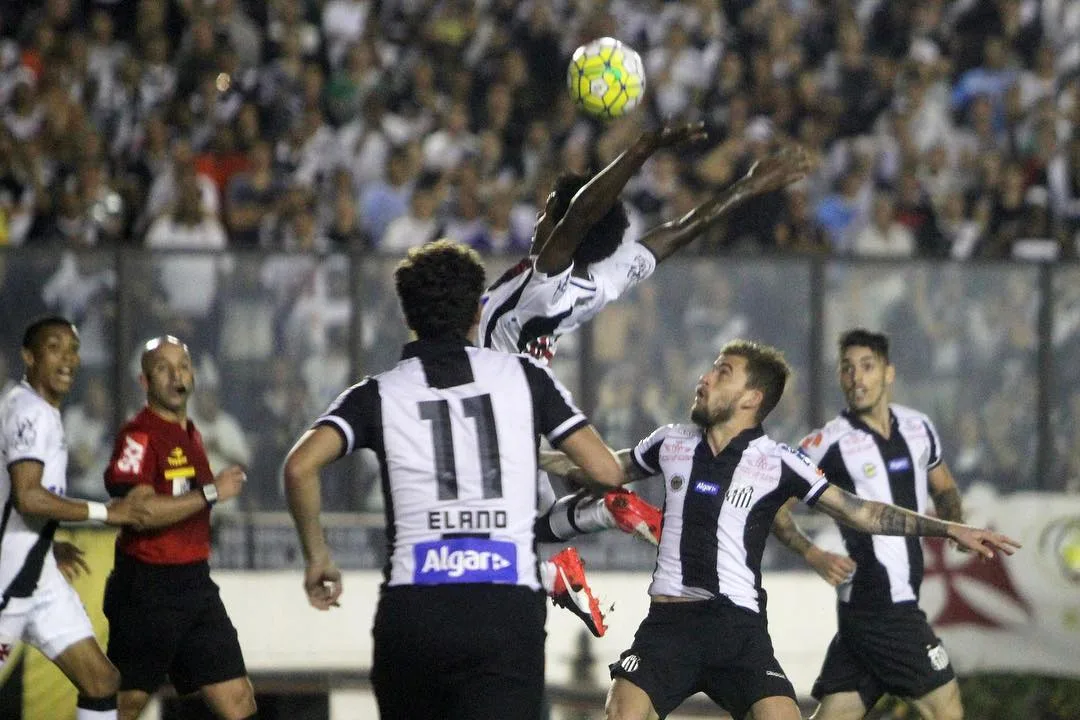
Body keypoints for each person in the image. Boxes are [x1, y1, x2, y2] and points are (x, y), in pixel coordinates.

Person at [540, 339, 1019, 720]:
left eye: (722, 372)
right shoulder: (670, 441)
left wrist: (948, 528)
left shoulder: (780, 461)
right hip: (671, 626)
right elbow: (600, 469)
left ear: (752, 398)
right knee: (622, 711)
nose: (704, 379)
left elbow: (862, 512)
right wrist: (528, 454)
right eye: (711, 368)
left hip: (741, 628)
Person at [483, 122, 813, 635]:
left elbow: (582, 215)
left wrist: (643, 148)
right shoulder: (599, 280)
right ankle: (591, 526)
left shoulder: (543, 289)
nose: (542, 217)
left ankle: (561, 565)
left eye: (551, 210)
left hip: (489, 415)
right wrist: (745, 187)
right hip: (521, 411)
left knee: (486, 542)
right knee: (541, 530)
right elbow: (675, 232)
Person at [282, 240, 625, 720]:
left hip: (415, 607)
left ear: (409, 317)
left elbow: (299, 467)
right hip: (505, 607)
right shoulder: (525, 377)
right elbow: (606, 470)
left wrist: (318, 557)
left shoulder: (377, 393)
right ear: (478, 310)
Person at [771, 329, 970, 720]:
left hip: (875, 606)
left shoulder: (919, 427)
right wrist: (810, 552)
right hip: (880, 603)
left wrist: (954, 526)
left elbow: (943, 486)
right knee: (946, 707)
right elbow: (773, 503)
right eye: (847, 369)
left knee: (838, 713)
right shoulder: (827, 442)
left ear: (888, 373)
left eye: (867, 366)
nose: (857, 378)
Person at [0, 316, 149, 720]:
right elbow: (28, 496)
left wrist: (47, 540)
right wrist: (107, 512)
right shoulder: (29, 414)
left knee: (101, 681)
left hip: (39, 575)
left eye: (73, 348)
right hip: (8, 581)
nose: (68, 358)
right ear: (28, 357)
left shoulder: (38, 410)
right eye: (54, 347)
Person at [102, 336, 255, 720]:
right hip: (147, 588)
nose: (176, 376)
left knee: (238, 699)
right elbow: (139, 512)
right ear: (145, 382)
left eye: (183, 366)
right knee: (127, 703)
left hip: (195, 584)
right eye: (163, 369)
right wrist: (211, 492)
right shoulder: (138, 435)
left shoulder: (193, 433)